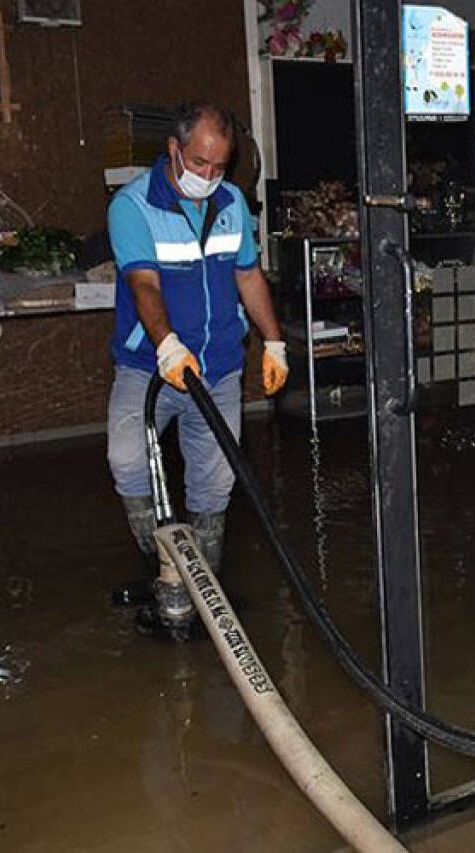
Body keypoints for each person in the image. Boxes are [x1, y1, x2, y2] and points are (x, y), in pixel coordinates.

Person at [106, 102, 287, 587]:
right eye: (199, 162)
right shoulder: (133, 206)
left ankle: (205, 582)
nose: (208, 175)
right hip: (151, 365)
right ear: (174, 149)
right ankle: (160, 569)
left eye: (219, 166)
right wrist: (166, 345)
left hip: (219, 366)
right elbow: (143, 283)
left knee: (217, 479)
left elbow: (247, 275)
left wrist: (274, 342)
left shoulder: (231, 203)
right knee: (127, 459)